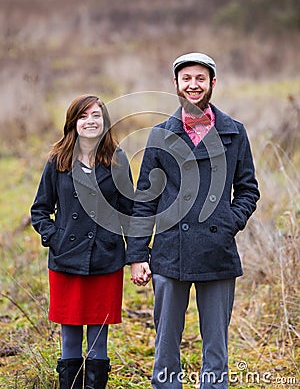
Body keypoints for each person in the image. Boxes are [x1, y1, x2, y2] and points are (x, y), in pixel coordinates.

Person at [126, 52, 260, 389]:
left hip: (217, 251)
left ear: (212, 83)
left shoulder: (234, 133)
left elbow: (248, 190)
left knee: (216, 344)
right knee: (167, 342)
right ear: (176, 84)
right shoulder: (160, 135)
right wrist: (138, 255)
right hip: (171, 252)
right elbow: (145, 199)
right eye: (186, 79)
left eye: (200, 78)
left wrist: (230, 220)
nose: (193, 85)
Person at [31, 94, 133, 389]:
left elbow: (130, 210)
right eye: (84, 116)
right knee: (70, 335)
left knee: (99, 339)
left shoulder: (117, 160)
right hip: (66, 260)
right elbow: (40, 209)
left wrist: (134, 251)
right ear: (73, 123)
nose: (91, 121)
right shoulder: (58, 160)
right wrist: (55, 238)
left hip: (106, 259)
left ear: (105, 122)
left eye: (96, 115)